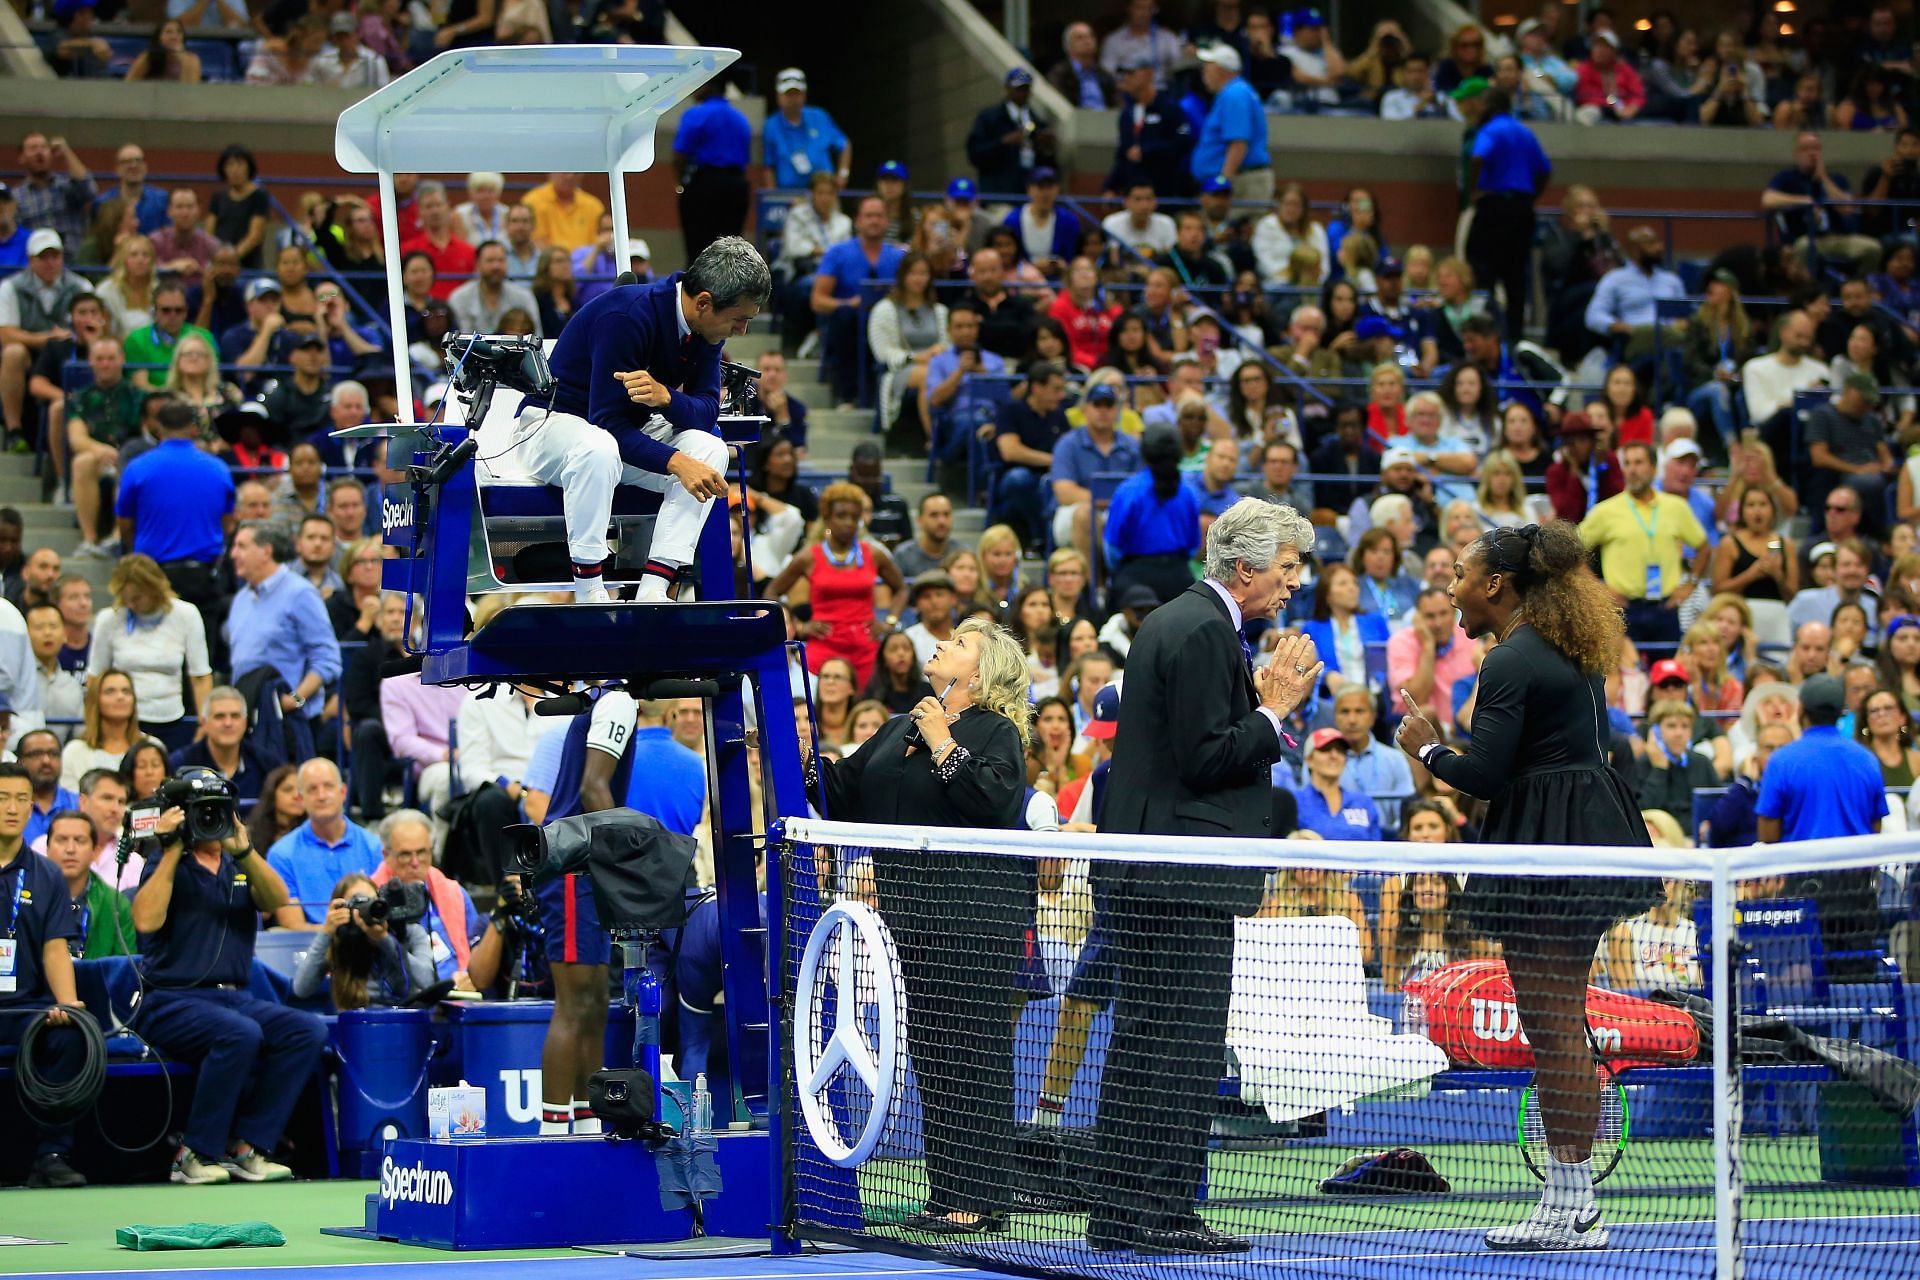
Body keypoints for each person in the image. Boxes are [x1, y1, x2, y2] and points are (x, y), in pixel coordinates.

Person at [1393, 523, 1654, 1250]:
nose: (1452, 590)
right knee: (1554, 1019)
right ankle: (1571, 1203)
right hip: (1581, 829)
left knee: (1552, 1021)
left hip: (1552, 842)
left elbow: (1483, 775)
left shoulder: (1511, 661)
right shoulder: (1562, 646)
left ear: (1496, 585)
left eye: (1460, 576)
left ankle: (1572, 1208)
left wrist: (1425, 746)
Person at [1089, 500, 1323, 1255]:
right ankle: (1161, 1213)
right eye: (1286, 568)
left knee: (1146, 1042)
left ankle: (1127, 1212)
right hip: (1177, 874)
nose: (1293, 584)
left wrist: (1258, 708)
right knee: (1178, 1047)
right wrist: (1276, 710)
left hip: (1160, 868)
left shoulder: (1188, 623)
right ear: (1246, 567)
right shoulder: (1200, 630)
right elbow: (1204, 757)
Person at [810, 618, 1031, 1233]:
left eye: (959, 643)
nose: (942, 644)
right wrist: (790, 751)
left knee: (974, 1053)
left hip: (975, 918)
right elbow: (844, 792)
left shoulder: (996, 731)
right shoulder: (894, 728)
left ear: (981, 674)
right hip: (912, 918)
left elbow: (993, 802)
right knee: (934, 1053)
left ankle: (981, 1198)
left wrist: (943, 743)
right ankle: (948, 1191)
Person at [524, 236, 767, 605]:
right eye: (739, 320)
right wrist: (675, 461)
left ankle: (654, 588)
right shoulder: (626, 316)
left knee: (710, 449)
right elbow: (607, 423)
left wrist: (668, 398)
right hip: (550, 425)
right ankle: (590, 590)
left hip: (619, 434)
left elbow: (705, 412)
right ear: (704, 302)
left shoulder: (705, 327)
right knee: (599, 448)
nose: (741, 331)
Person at [130, 767, 325, 1184]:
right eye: (203, 811)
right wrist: (168, 849)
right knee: (239, 1033)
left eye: (219, 810)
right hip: (169, 998)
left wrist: (246, 852)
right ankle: (194, 1152)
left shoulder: (238, 864)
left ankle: (248, 1145)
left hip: (234, 997)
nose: (211, 819)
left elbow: (275, 900)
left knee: (305, 1029)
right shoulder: (167, 863)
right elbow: (145, 921)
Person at [0, 763, 90, 1188]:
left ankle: (52, 1155)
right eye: (2, 798)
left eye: (21, 799)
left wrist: (67, 1005)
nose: (12, 808)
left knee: (73, 1035)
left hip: (27, 1011)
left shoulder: (46, 873)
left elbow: (56, 946)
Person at [1578, 442, 1708, 644]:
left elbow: (1703, 547)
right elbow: (1573, 552)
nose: (1632, 469)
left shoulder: (1676, 507)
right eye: (1627, 463)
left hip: (1666, 607)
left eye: (1639, 463)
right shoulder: (1606, 511)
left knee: (1667, 670)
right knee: (1623, 672)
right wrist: (1598, 588)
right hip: (1622, 608)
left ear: (1654, 468)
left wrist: (1690, 584)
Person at [1465, 88, 1551, 345]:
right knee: (1516, 277)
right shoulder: (1525, 132)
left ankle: (1484, 332)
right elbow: (1545, 169)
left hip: (1494, 207)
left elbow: (1478, 157)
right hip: (1522, 210)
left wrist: (1473, 190)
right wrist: (1531, 197)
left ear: (1491, 105)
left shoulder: (1491, 130)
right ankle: (1515, 338)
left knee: (1482, 269)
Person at [265, 757, 382, 928]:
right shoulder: (282, 854)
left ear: (343, 792)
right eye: (312, 789)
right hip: (310, 947)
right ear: (301, 798)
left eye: (328, 786)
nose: (321, 796)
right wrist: (333, 931)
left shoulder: (373, 846)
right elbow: (293, 926)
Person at [291, 871, 435, 1009]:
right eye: (358, 902)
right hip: (355, 1025)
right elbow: (301, 989)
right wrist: (327, 931)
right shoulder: (340, 938)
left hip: (403, 1021)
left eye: (373, 901)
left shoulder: (410, 932)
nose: (368, 908)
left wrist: (385, 940)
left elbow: (427, 982)